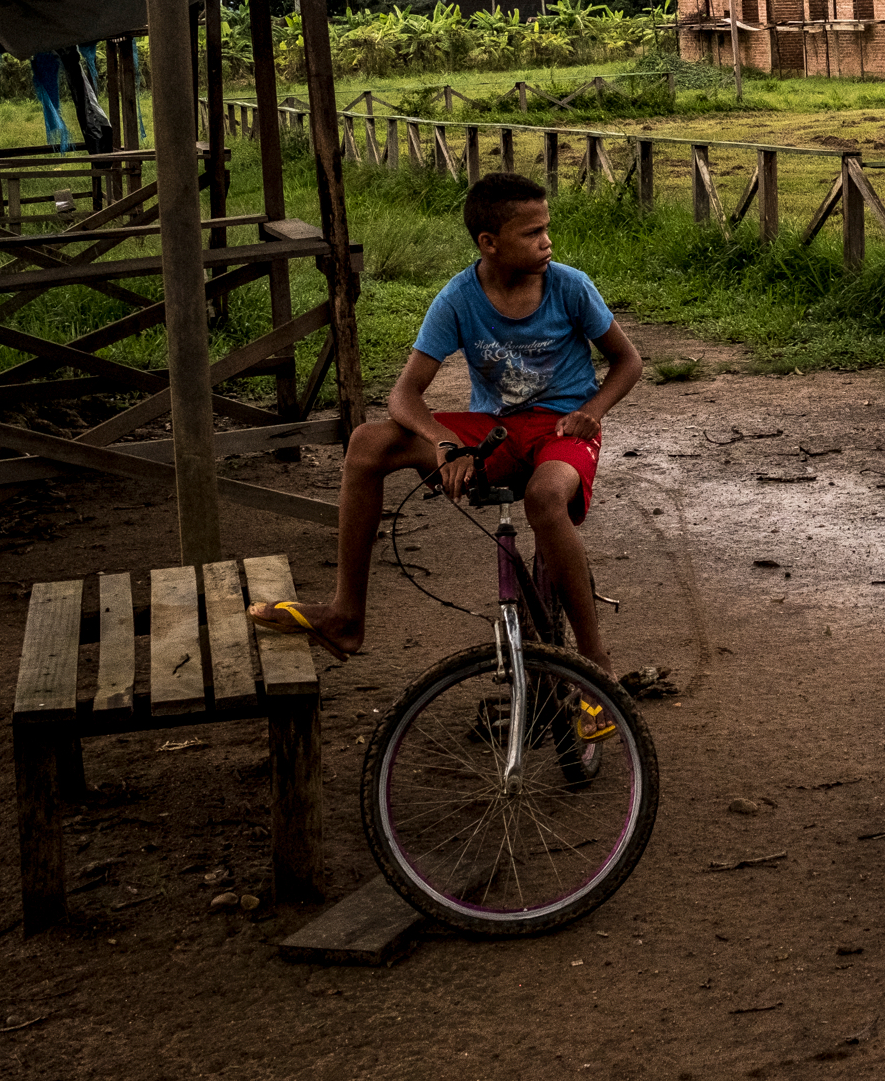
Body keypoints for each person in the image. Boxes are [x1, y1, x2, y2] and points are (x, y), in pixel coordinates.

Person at [248, 171, 643, 717]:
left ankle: (597, 668)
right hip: (496, 430)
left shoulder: (570, 286)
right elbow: (405, 396)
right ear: (489, 243)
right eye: (532, 233)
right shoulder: (459, 298)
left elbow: (629, 361)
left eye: (547, 228)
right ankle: (345, 615)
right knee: (367, 442)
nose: (547, 242)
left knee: (545, 500)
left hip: (560, 428)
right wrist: (444, 442)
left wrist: (591, 411)